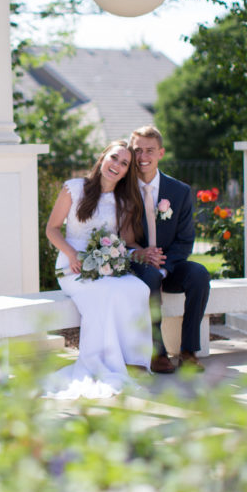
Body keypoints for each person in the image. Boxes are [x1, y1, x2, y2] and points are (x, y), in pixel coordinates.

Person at [43, 140, 153, 399]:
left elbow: (125, 242)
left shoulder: (123, 201)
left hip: (103, 264)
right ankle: (103, 362)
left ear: (127, 172)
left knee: (136, 287)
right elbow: (52, 229)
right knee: (106, 293)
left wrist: (136, 254)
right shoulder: (75, 188)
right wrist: (72, 254)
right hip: (72, 265)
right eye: (114, 158)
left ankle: (133, 359)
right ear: (103, 158)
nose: (117, 165)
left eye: (124, 163)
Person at [128, 126, 211, 373]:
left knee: (199, 274)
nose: (143, 157)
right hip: (135, 263)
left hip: (169, 265)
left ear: (161, 153)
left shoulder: (179, 191)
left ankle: (188, 351)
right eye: (137, 150)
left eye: (149, 150)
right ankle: (157, 352)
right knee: (150, 275)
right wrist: (143, 258)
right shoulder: (124, 189)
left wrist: (164, 267)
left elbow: (185, 240)